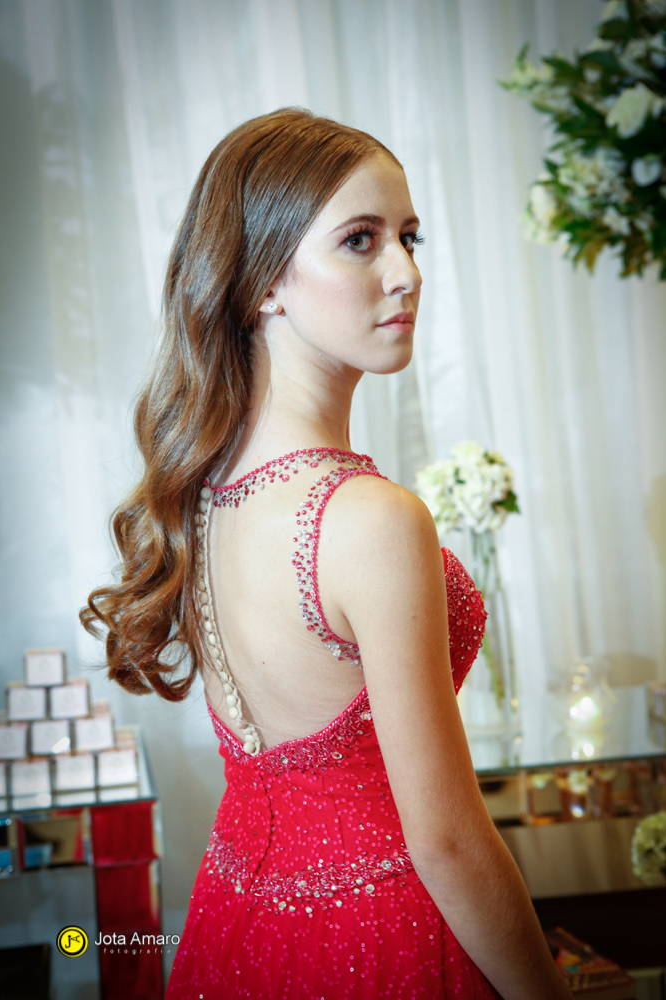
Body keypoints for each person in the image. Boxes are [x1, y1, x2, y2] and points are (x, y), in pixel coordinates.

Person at [81, 108, 571, 999]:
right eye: (359, 240)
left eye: (409, 237)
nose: (406, 271)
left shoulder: (197, 499)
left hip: (237, 927)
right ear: (265, 280)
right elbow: (447, 842)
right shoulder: (368, 519)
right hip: (384, 938)